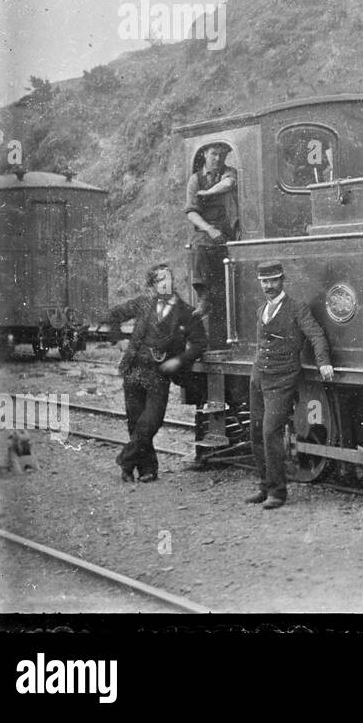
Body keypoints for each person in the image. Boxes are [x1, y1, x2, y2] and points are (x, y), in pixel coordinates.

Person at [96, 264, 206, 483]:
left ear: (173, 281)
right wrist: (118, 342)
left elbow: (199, 344)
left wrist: (178, 361)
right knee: (135, 422)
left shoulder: (186, 312)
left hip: (159, 373)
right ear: (153, 285)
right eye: (158, 281)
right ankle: (147, 469)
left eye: (167, 279)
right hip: (134, 369)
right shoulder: (143, 303)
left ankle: (125, 460)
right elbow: (111, 316)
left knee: (151, 422)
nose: (164, 284)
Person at [245, 261, 335, 509]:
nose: (269, 286)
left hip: (282, 380)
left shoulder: (297, 308)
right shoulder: (260, 309)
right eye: (265, 282)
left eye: (274, 281)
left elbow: (316, 335)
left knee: (270, 432)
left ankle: (277, 492)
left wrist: (323, 362)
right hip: (259, 377)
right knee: (255, 432)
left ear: (283, 280)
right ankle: (264, 486)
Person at [185, 143, 239, 343]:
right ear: (205, 154)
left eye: (222, 155)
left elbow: (229, 184)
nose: (218, 158)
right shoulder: (195, 180)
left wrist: (206, 194)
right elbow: (191, 212)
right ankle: (203, 298)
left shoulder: (229, 172)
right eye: (214, 154)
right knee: (199, 245)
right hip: (207, 229)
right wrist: (209, 229)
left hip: (229, 228)